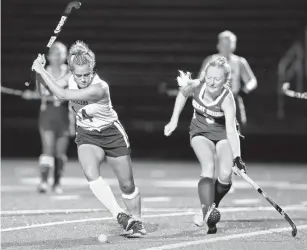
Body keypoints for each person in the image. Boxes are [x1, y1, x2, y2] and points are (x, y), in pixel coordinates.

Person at [30, 41, 146, 238]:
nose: (83, 79)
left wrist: (41, 71)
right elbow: (50, 91)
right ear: (72, 72)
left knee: (127, 185)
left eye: (86, 75)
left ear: (92, 70)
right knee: (91, 173)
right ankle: (120, 216)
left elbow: (62, 94)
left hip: (111, 133)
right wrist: (38, 71)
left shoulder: (100, 87)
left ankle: (137, 220)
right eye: (78, 75)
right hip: (86, 134)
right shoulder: (70, 77)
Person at [164, 56, 246, 234]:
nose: (212, 81)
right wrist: (174, 120)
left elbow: (231, 130)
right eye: (209, 77)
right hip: (199, 132)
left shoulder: (227, 98)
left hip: (222, 133)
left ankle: (210, 206)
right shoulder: (197, 86)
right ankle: (207, 212)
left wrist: (237, 157)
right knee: (208, 166)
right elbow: (182, 94)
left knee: (225, 176)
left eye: (217, 78)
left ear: (225, 80)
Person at [22, 42, 75, 194]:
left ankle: (57, 183)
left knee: (60, 152)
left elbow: (70, 95)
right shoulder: (44, 71)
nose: (57, 56)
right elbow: (40, 92)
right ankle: (44, 181)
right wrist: (31, 95)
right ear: (49, 56)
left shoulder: (69, 72)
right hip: (47, 115)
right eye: (54, 53)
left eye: (60, 53)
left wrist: (48, 96)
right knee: (48, 149)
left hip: (65, 115)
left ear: (65, 56)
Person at [199, 30, 257, 127]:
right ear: (218, 45)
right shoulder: (210, 60)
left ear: (233, 46)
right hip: (214, 100)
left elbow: (252, 80)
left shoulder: (239, 61)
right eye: (223, 44)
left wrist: (245, 90)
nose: (226, 48)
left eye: (229, 44)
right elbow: (200, 80)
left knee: (236, 131)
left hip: (233, 99)